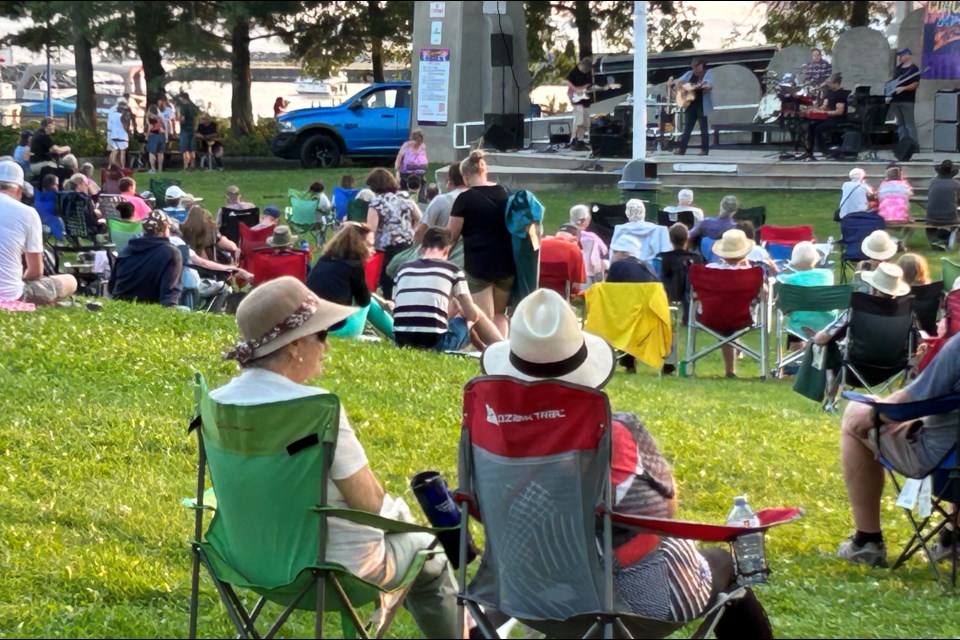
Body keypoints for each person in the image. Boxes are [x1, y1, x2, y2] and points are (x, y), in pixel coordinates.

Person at [479, 288, 773, 638]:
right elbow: (664, 514)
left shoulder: (491, 435)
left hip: (529, 599)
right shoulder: (616, 431)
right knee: (724, 564)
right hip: (618, 607)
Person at [213, 277, 462, 639]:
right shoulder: (313, 410)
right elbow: (368, 502)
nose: (327, 346)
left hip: (248, 562)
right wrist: (398, 511)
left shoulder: (220, 401)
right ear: (296, 346)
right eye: (322, 335)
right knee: (428, 553)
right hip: (332, 570)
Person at [393, 227, 502, 351]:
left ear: (422, 248)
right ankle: (502, 348)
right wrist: (460, 313)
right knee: (474, 311)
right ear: (447, 249)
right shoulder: (452, 270)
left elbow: (397, 306)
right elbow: (472, 315)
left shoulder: (403, 269)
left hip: (402, 341)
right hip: (436, 344)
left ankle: (484, 349)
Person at [447, 150, 514, 338]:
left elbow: (451, 235)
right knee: (500, 315)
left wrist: (443, 258)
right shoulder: (505, 193)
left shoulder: (464, 199)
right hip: (507, 264)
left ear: (465, 176)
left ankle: (494, 355)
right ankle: (503, 350)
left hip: (479, 265)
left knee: (483, 318)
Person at [0, 161, 77, 304]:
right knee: (70, 281)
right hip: (11, 294)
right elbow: (36, 271)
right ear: (18, 190)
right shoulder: (27, 213)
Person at [306, 222, 394, 339]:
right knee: (368, 303)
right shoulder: (354, 266)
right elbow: (364, 301)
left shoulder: (323, 261)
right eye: (369, 245)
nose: (373, 250)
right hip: (340, 330)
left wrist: (380, 300)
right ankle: (398, 335)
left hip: (315, 329)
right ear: (358, 246)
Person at [365, 168, 421, 300]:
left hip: (387, 247)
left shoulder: (377, 202)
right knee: (406, 279)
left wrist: (367, 248)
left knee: (388, 282)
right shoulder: (406, 197)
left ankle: (390, 306)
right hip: (408, 244)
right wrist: (413, 231)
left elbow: (371, 229)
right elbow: (421, 218)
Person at [706, 229, 756, 378]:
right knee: (731, 322)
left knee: (725, 324)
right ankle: (731, 370)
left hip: (712, 316)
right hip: (743, 317)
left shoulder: (709, 271)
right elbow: (763, 294)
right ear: (745, 253)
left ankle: (730, 370)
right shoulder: (751, 274)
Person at [108, 210, 182, 307]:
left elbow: (111, 287)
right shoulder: (171, 253)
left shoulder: (126, 250)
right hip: (148, 309)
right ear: (164, 229)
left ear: (144, 229)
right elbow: (169, 297)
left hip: (118, 306)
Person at [414, 162, 467, 244]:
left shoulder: (441, 200)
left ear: (450, 180)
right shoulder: (480, 199)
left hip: (444, 251)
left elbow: (420, 231)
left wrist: (417, 251)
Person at [803, 73, 850, 160]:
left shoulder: (841, 95)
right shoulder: (830, 92)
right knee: (811, 125)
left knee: (819, 128)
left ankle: (825, 151)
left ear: (836, 83)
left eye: (830, 83)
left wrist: (824, 113)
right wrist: (815, 109)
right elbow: (824, 106)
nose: (828, 85)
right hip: (828, 117)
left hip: (837, 119)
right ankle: (809, 152)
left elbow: (839, 112)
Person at [674, 58, 714, 156]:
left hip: (701, 104)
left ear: (701, 65)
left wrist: (703, 86)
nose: (694, 69)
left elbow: (708, 85)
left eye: (696, 67)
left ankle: (704, 150)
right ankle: (682, 150)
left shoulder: (707, 73)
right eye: (693, 67)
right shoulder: (689, 74)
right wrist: (683, 88)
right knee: (687, 127)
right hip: (690, 104)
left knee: (703, 127)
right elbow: (678, 82)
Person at [539, 224, 587, 297]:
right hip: (559, 297)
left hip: (535, 291)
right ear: (576, 238)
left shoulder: (540, 243)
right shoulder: (574, 249)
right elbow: (575, 287)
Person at [569, 204, 609, 286]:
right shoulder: (592, 237)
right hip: (586, 277)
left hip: (569, 274)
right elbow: (604, 252)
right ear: (585, 220)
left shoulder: (563, 235)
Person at [888, 48, 921, 148]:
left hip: (907, 100)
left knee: (909, 124)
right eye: (900, 55)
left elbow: (915, 84)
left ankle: (914, 146)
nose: (900, 57)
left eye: (902, 55)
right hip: (895, 100)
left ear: (908, 55)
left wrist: (903, 88)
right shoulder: (898, 69)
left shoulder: (914, 69)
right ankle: (903, 146)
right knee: (900, 124)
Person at [924, 159, 960, 250]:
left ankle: (936, 241)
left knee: (929, 228)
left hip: (931, 217)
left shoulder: (933, 182)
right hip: (951, 218)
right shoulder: (956, 184)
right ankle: (946, 240)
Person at [566, 57, 594, 151]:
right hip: (576, 100)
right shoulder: (574, 71)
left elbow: (589, 85)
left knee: (584, 123)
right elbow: (567, 81)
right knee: (578, 120)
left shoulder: (588, 73)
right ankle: (573, 140)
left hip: (585, 100)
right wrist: (576, 89)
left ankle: (581, 141)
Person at [178, 92, 200, 170]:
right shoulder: (193, 107)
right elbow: (196, 118)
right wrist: (195, 128)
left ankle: (186, 166)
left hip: (185, 130)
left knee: (185, 149)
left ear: (183, 98)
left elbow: (182, 119)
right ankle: (193, 165)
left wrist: (178, 120)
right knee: (192, 149)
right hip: (192, 130)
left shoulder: (183, 107)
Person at [107, 98, 130, 169]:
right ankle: (122, 167)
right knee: (122, 152)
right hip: (122, 135)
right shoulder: (125, 116)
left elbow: (110, 125)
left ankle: (111, 166)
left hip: (114, 135)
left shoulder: (113, 115)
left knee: (114, 151)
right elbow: (126, 126)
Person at [146, 109, 167, 174]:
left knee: (152, 153)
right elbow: (164, 127)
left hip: (154, 136)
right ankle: (160, 169)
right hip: (162, 136)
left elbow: (151, 126)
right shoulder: (160, 118)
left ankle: (153, 169)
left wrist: (147, 134)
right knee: (160, 153)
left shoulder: (150, 118)